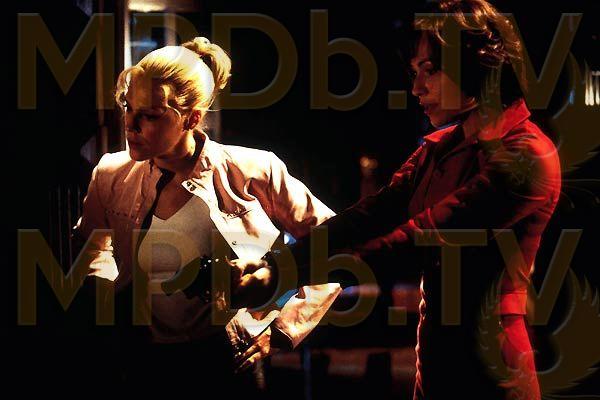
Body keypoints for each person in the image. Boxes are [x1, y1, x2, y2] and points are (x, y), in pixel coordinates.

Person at [258, 1, 561, 398]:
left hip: (491, 374)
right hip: (435, 367)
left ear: (475, 66)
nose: (417, 88)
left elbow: (421, 239)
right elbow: (368, 215)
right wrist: (276, 265)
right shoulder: (440, 147)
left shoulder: (527, 155)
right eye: (415, 72)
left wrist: (282, 276)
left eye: (429, 71)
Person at [74, 36, 340, 393]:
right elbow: (91, 249)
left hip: (228, 362)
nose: (130, 124)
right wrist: (109, 304)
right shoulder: (111, 174)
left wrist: (281, 331)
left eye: (150, 115)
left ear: (192, 118)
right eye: (128, 107)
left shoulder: (252, 170)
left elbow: (334, 243)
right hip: (141, 363)